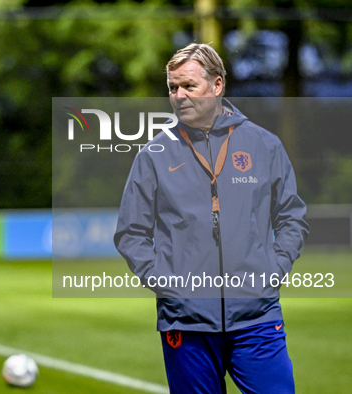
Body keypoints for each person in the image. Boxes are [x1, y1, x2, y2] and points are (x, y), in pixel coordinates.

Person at [114, 43, 309, 394]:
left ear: (217, 85)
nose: (179, 96)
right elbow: (131, 233)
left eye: (190, 86)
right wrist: (166, 284)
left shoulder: (264, 145)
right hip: (185, 322)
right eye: (173, 88)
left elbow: (292, 217)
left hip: (257, 317)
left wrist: (274, 268)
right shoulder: (153, 155)